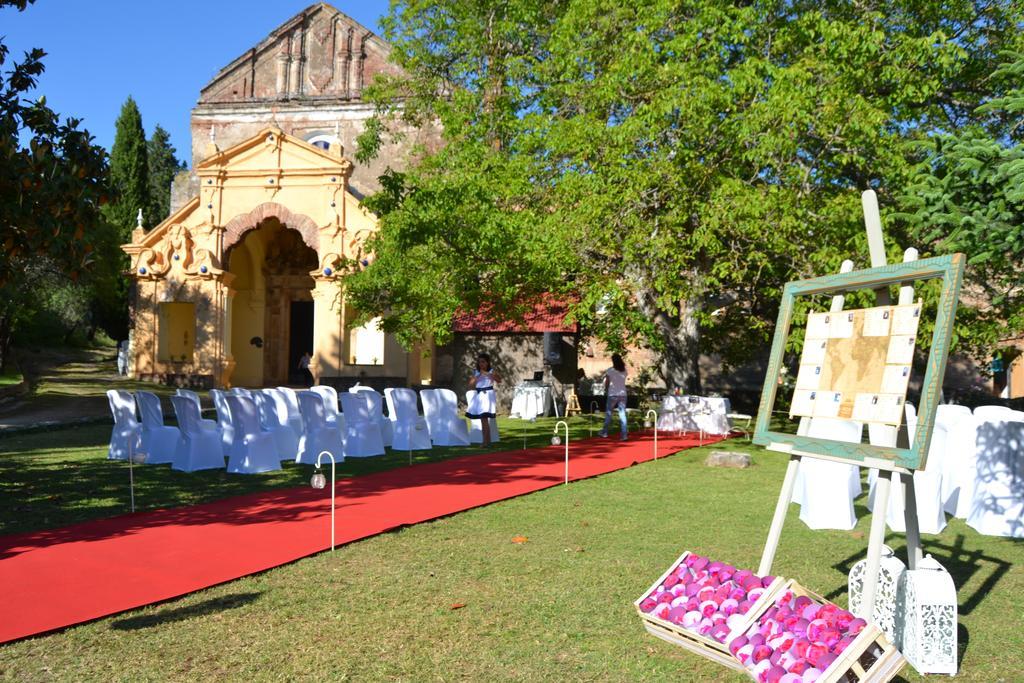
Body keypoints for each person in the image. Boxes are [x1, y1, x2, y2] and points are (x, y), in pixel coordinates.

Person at [467, 353, 500, 446]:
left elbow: (499, 380)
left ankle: (485, 442)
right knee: (483, 419)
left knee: (484, 418)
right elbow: (470, 385)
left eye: (483, 362)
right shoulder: (476, 372)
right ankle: (487, 441)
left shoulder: (492, 371)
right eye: (479, 362)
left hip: (488, 396)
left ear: (487, 362)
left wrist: (488, 374)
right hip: (479, 396)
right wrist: (478, 376)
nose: (481, 364)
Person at [599, 353, 628, 440]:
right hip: (623, 394)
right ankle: (624, 435)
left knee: (609, 413)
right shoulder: (624, 370)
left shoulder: (610, 370)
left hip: (612, 394)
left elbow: (607, 382)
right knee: (622, 414)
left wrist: (606, 389)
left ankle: (604, 432)